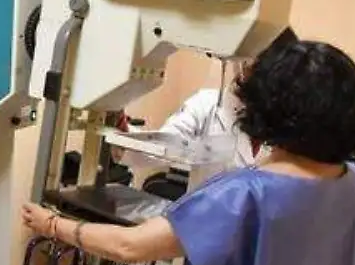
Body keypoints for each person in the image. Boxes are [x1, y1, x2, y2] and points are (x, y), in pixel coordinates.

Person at [22, 39, 355, 265]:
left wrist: (52, 224)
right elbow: (160, 147)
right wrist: (122, 130)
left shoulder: (243, 196)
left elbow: (128, 246)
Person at [118, 26, 300, 174]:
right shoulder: (207, 105)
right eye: (249, 62)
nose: (246, 68)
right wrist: (120, 127)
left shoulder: (288, 121)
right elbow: (160, 149)